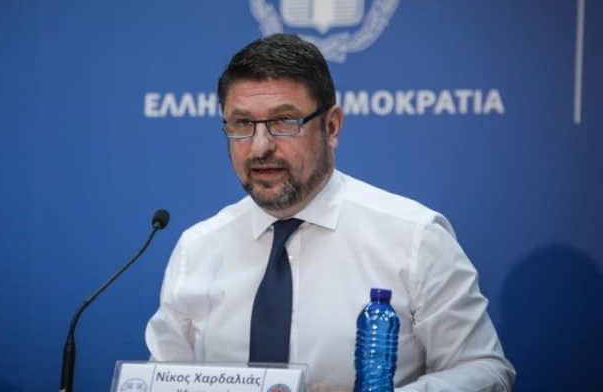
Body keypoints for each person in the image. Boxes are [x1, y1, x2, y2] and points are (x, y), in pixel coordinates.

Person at [145, 34, 515, 391]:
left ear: (332, 126)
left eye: (283, 121)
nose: (259, 147)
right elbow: (160, 379)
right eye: (242, 124)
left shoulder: (415, 238)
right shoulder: (197, 249)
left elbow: (484, 370)